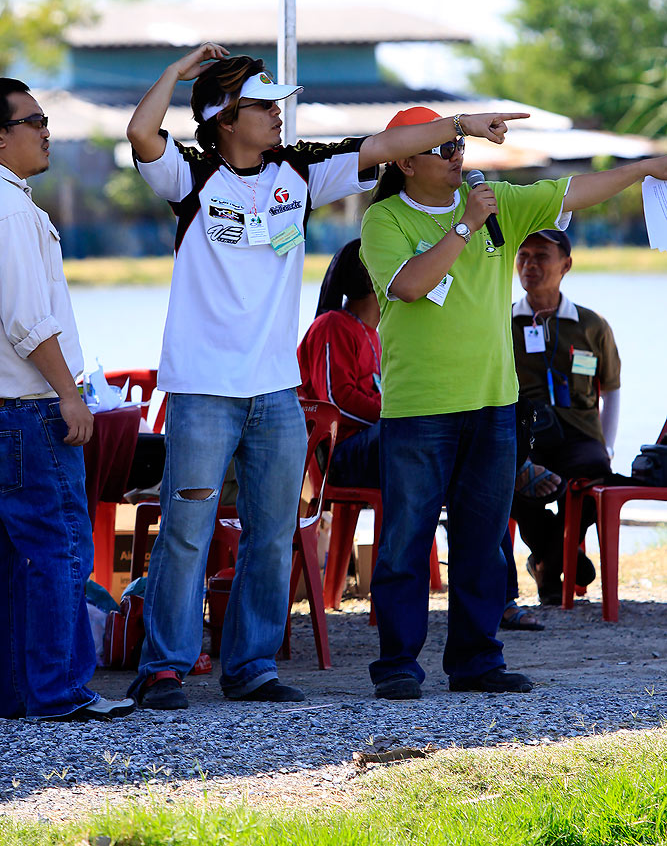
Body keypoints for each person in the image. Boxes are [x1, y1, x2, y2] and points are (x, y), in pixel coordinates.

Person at [125, 44, 529, 709]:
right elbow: (142, 133)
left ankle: (251, 667)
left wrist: (462, 124)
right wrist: (174, 75)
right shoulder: (190, 177)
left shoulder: (300, 170)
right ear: (226, 117)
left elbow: (384, 145)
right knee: (187, 528)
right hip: (201, 389)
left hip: (276, 392)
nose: (278, 114)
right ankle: (163, 668)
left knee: (273, 531)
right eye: (263, 104)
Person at [359, 104, 667, 700]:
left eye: (458, 147)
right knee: (405, 541)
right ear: (403, 160)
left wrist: (649, 166)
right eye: (443, 149)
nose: (457, 157)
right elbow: (412, 286)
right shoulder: (386, 221)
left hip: (493, 405)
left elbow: (577, 189)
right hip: (419, 409)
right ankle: (398, 665)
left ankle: (476, 661)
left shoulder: (497, 201)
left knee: (482, 540)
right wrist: (465, 227)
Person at [299, 246, 546, 628]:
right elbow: (336, 404)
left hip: (390, 443)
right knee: (444, 438)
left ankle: (503, 599)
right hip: (346, 455)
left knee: (478, 479)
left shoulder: (379, 332)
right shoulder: (333, 325)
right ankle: (518, 467)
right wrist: (401, 410)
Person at [0, 78, 135, 722]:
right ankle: (58, 692)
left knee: (16, 556)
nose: (46, 129)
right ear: (1, 135)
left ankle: (20, 692)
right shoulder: (9, 210)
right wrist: (68, 395)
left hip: (11, 411)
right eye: (34, 120)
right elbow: (28, 321)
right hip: (28, 408)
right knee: (58, 549)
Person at [511, 229, 622, 603]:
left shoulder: (591, 325)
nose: (529, 264)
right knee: (506, 478)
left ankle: (548, 563)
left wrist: (607, 446)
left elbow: (613, 389)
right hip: (526, 436)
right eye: (523, 255)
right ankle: (560, 553)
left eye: (541, 255)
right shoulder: (503, 323)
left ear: (566, 265)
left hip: (579, 437)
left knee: (597, 473)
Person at [297, 238, 381, 488]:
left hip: (363, 444)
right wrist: (394, 412)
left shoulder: (372, 334)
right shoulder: (332, 325)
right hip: (337, 457)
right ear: (372, 277)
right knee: (416, 430)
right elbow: (336, 401)